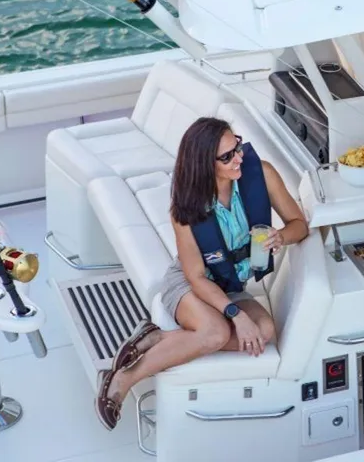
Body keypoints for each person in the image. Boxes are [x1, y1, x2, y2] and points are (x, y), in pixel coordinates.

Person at [95, 117, 309, 431]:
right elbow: (195, 276)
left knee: (264, 332)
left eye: (237, 146)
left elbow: (299, 225)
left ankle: (156, 337)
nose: (238, 157)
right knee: (215, 333)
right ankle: (121, 379)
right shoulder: (185, 207)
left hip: (231, 284)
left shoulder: (261, 173)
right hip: (188, 283)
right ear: (204, 164)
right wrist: (236, 314)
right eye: (227, 156)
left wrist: (281, 236)